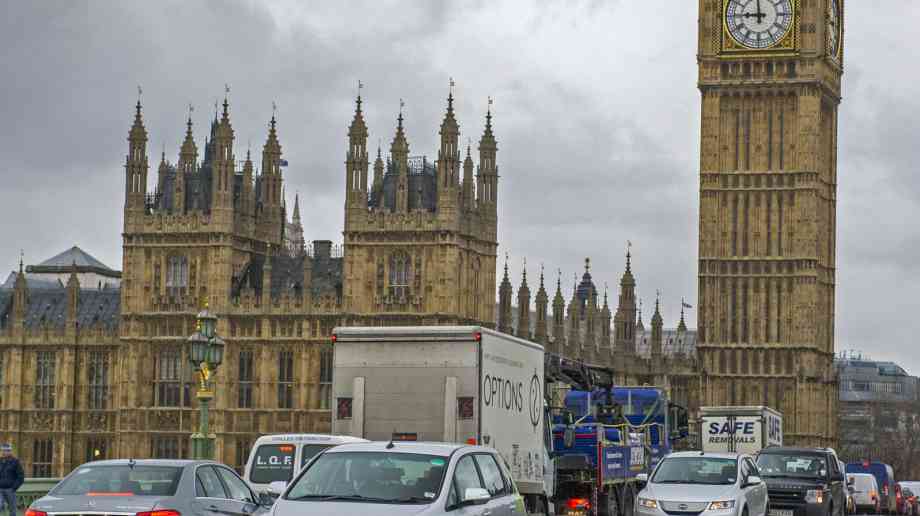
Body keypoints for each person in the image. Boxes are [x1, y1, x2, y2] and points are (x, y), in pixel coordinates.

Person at [0, 444, 24, 516]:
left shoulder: (15, 461)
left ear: (10, 452)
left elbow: (21, 476)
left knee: (12, 510)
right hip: (0, 489)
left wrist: (13, 488)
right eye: (2, 450)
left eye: (6, 451)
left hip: (10, 489)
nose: (4, 452)